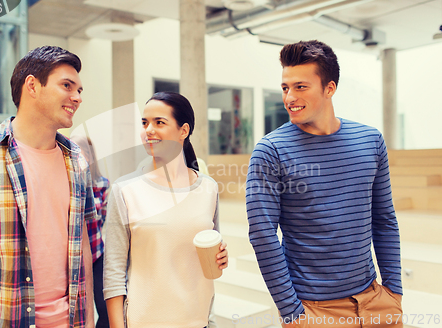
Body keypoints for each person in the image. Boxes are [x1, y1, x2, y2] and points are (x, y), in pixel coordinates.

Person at [246, 40, 403, 328]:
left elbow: (384, 219)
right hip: (313, 310)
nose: (289, 97)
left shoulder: (370, 140)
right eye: (285, 87)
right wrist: (292, 312)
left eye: (300, 87)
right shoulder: (271, 150)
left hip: (375, 301)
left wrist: (394, 292)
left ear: (329, 88)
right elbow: (262, 234)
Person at [0, 45, 95, 328]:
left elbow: (82, 247)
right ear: (32, 86)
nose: (76, 97)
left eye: (80, 90)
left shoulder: (77, 160)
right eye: (67, 86)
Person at [103, 91, 228, 328]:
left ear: (184, 130)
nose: (148, 130)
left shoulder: (208, 188)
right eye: (145, 122)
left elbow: (211, 250)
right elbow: (114, 274)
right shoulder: (125, 190)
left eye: (159, 122)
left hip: (197, 321)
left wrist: (221, 256)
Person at [71, 136, 111, 328]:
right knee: (78, 312)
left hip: (96, 255)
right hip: (72, 260)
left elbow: (102, 218)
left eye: (79, 152)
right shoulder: (66, 181)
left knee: (106, 311)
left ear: (88, 155)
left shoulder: (102, 183)